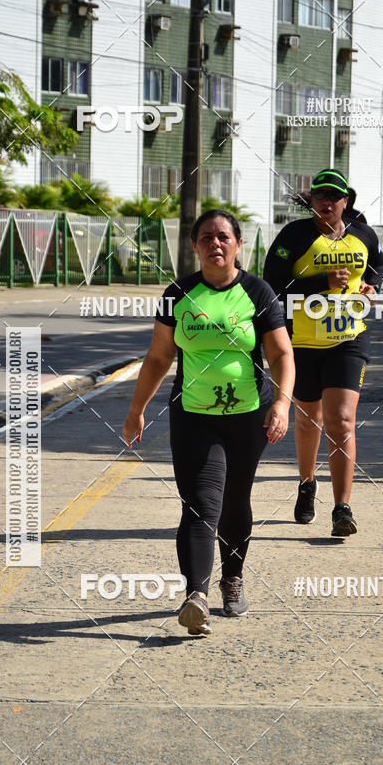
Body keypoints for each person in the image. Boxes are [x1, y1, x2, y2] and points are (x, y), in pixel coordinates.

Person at [122, 209, 294, 635]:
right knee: (200, 504)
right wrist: (136, 409)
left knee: (235, 501)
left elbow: (281, 355)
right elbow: (159, 357)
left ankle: (232, 579)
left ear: (238, 244)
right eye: (205, 238)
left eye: (223, 237)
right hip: (194, 416)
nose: (215, 244)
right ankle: (195, 596)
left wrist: (283, 405)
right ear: (195, 246)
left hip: (249, 415)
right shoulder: (177, 293)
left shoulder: (258, 291)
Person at [264, 168, 383, 536]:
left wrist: (371, 286)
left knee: (342, 419)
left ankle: (342, 508)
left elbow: (378, 264)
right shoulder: (294, 235)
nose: (327, 203)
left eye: (335, 197)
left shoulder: (363, 234)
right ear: (311, 200)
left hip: (349, 338)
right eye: (320, 196)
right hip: (301, 341)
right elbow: (271, 286)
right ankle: (306, 483)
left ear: (346, 201)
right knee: (309, 419)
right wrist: (321, 283)